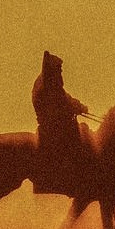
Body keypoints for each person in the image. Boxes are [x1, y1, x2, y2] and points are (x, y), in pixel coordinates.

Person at [32, 51, 89, 191]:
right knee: (78, 142)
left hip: (51, 122)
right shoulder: (50, 83)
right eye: (60, 69)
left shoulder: (45, 80)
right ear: (54, 69)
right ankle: (75, 179)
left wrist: (77, 105)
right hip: (53, 125)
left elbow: (64, 97)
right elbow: (62, 101)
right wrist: (78, 107)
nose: (61, 71)